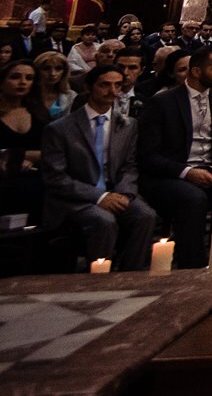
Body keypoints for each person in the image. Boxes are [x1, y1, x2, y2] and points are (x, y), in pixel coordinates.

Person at [138, 46, 212, 268]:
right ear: (195, 71)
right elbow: (148, 155)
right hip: (172, 175)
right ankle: (192, 266)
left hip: (211, 172)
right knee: (194, 199)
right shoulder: (163, 102)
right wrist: (187, 172)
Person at [42, 63, 157, 270]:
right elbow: (56, 178)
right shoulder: (61, 128)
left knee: (145, 215)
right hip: (76, 197)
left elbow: (129, 166)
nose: (112, 91)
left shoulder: (128, 125)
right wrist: (100, 197)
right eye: (105, 85)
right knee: (104, 221)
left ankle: (131, 274)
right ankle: (99, 277)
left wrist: (125, 193)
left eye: (118, 85)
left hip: (115, 189)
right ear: (89, 87)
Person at [0, 58, 44, 219]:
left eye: (29, 78)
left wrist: (19, 156)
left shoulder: (38, 114)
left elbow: (50, 151)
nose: (22, 82)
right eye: (15, 77)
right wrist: (19, 157)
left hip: (34, 179)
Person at [30, 50, 75, 121]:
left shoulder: (71, 96)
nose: (52, 74)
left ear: (64, 72)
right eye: (46, 68)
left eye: (58, 69)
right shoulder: (27, 95)